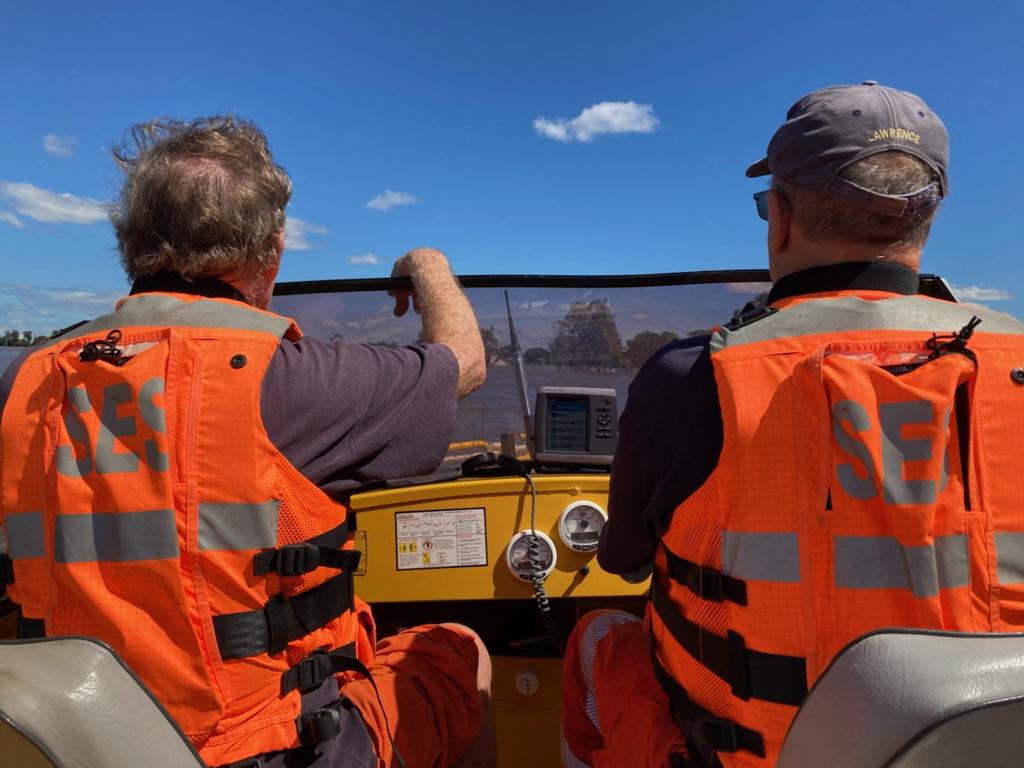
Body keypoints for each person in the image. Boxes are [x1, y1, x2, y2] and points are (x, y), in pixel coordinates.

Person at [0, 116, 494, 768]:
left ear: (133, 246)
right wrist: (426, 263)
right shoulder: (293, 379)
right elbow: (463, 360)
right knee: (462, 650)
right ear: (273, 249)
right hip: (262, 751)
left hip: (72, 745)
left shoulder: (24, 381)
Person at [561, 82, 1024, 768]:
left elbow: (624, 561)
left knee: (598, 633)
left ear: (778, 217)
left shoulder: (691, 381)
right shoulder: (1014, 358)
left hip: (740, 757)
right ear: (926, 220)